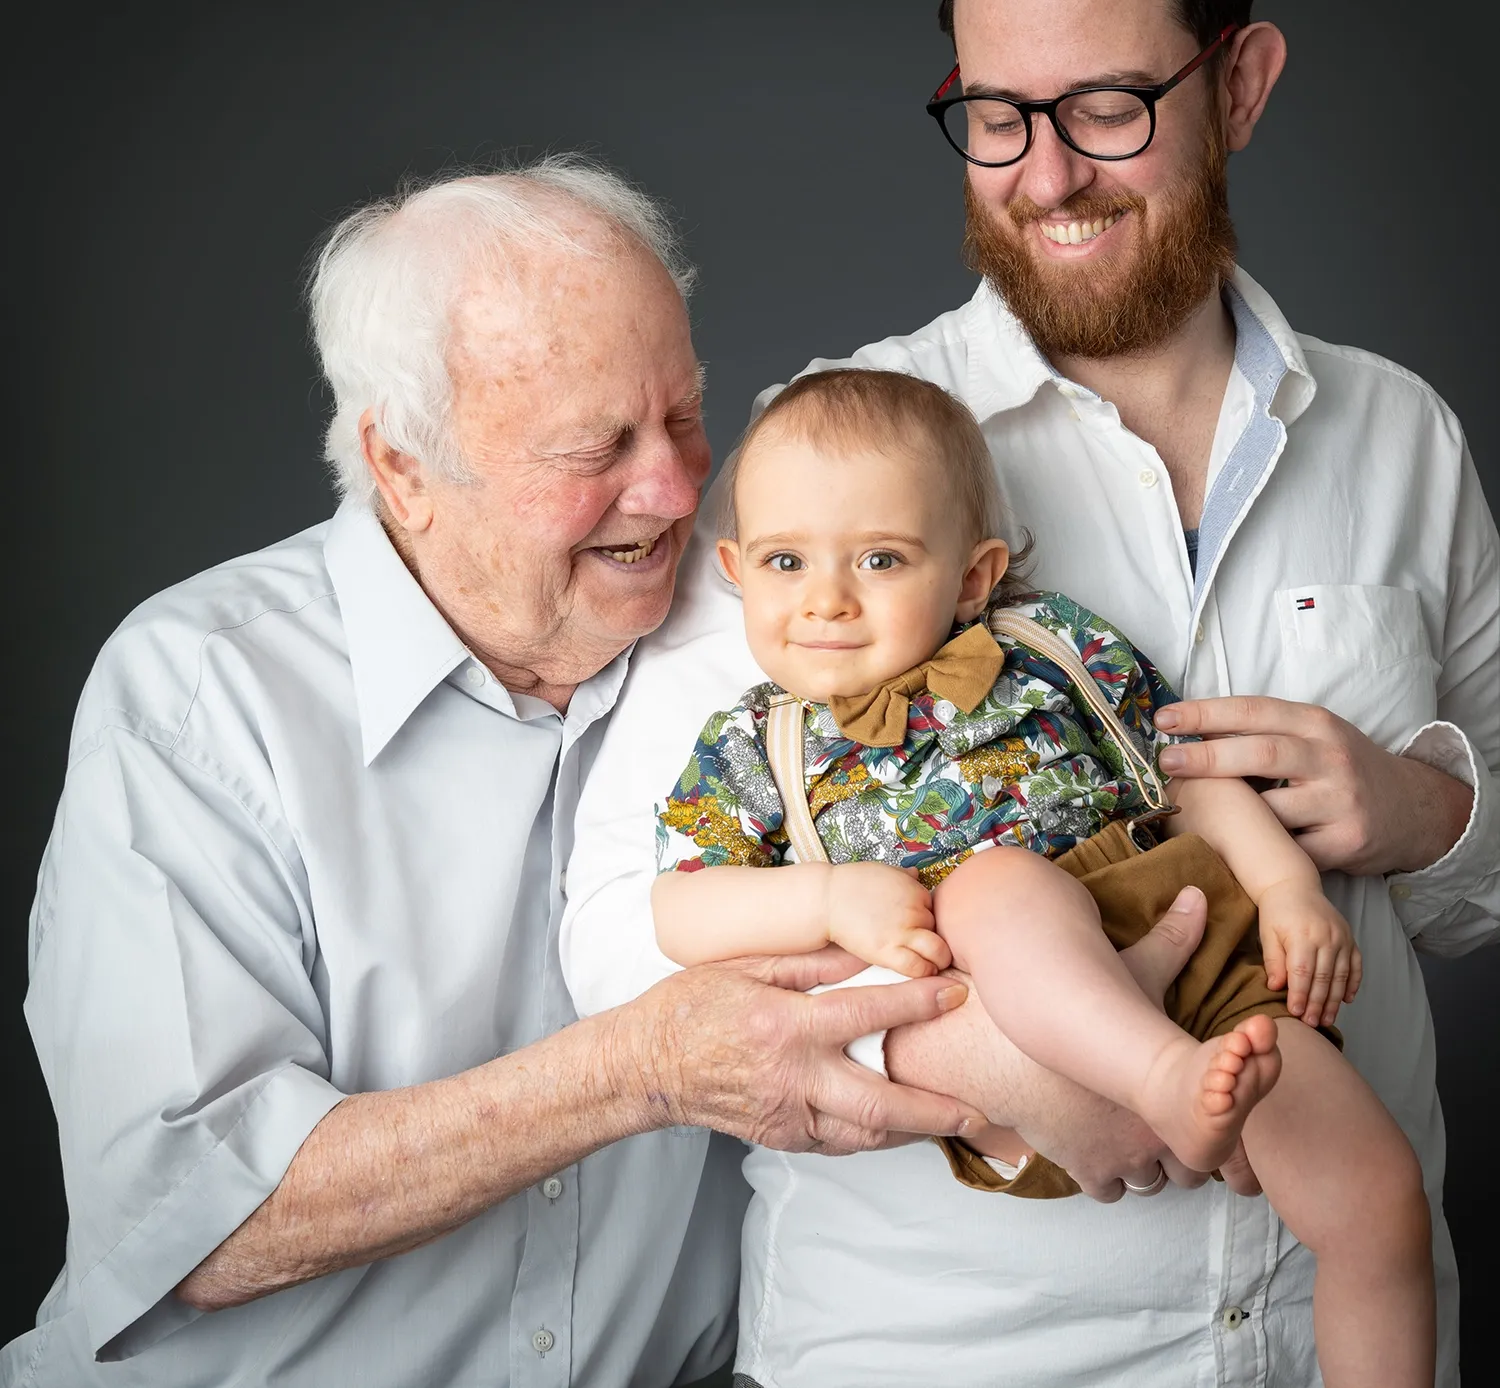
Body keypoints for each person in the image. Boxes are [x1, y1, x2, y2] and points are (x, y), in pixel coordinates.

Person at [560, 0, 1499, 1383]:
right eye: (996, 115)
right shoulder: (834, 463)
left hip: (1341, 1323)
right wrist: (965, 1057)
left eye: (1108, 105)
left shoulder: (1403, 437)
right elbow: (613, 929)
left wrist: (1424, 813)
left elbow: (1474, 901)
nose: (1045, 173)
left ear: (1241, 83)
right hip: (951, 1352)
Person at [2, 159, 1024, 1387]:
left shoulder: (773, 623)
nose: (677, 487)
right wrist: (641, 1071)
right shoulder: (201, 696)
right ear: (404, 471)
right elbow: (183, 1212)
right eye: (597, 447)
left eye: (685, 416)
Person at [651, 367, 1434, 1387]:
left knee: (1381, 1198)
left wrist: (1286, 888)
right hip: (1013, 1015)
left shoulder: (1051, 648)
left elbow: (1187, 777)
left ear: (975, 577)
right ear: (738, 570)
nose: (827, 600)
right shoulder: (757, 744)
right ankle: (1152, 1074)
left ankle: (1197, 1091)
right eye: (786, 561)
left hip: (1193, 946)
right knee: (991, 886)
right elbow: (678, 908)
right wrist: (827, 897)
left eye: (881, 558)